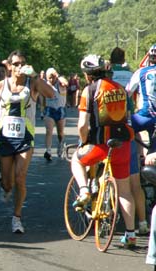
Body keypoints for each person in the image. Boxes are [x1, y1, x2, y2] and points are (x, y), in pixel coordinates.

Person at [0, 50, 55, 233]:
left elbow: (51, 94)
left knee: (20, 177)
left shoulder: (33, 84)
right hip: (5, 138)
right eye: (15, 64)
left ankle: (17, 218)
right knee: (8, 183)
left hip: (24, 139)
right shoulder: (1, 85)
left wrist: (36, 75)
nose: (19, 67)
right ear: (9, 66)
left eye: (22, 63)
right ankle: (5, 188)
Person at [70, 54, 136, 248]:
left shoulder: (89, 90)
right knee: (124, 191)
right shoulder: (121, 89)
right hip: (122, 145)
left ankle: (83, 192)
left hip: (100, 145)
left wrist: (83, 143)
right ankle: (131, 234)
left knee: (77, 159)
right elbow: (127, 116)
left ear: (88, 74)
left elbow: (82, 125)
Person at [111, 47, 148, 235]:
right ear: (124, 58)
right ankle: (142, 222)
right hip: (128, 122)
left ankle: (95, 196)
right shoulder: (132, 73)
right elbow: (133, 96)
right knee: (135, 182)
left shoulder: (107, 75)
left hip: (108, 127)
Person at [42, 67, 69, 161]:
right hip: (50, 110)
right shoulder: (45, 85)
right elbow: (42, 99)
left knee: (60, 133)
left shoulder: (60, 82)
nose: (51, 79)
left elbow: (66, 83)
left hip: (60, 110)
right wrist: (42, 111)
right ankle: (48, 151)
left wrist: (58, 77)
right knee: (49, 130)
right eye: (49, 77)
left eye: (52, 77)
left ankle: (60, 144)